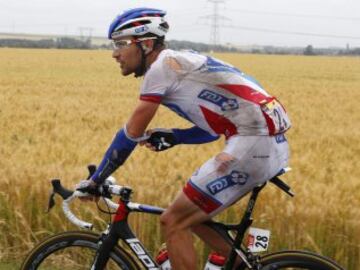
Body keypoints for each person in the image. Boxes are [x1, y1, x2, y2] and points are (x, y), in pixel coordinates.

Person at [77, 7, 291, 270]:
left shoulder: (161, 68)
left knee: (173, 221)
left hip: (252, 143)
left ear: (145, 44)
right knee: (195, 215)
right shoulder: (182, 61)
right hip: (267, 144)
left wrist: (96, 179)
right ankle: (243, 265)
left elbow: (130, 134)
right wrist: (176, 136)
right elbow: (212, 129)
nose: (114, 53)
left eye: (121, 44)